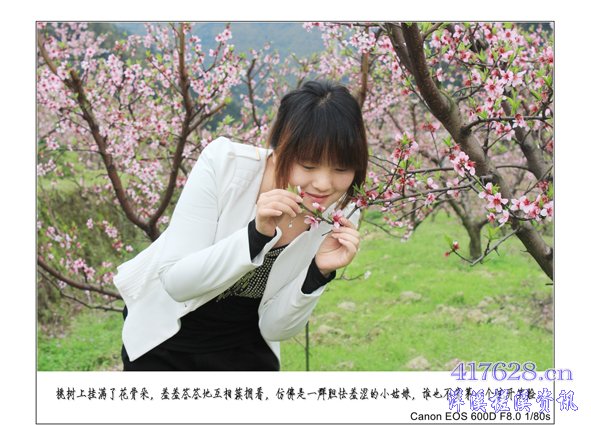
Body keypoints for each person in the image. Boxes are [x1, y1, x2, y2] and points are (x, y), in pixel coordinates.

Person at [113, 80, 369, 371]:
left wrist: (317, 274)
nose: (324, 184)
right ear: (279, 150)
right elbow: (177, 283)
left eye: (341, 168)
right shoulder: (225, 164)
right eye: (308, 166)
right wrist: (255, 236)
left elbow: (275, 328)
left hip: (247, 345)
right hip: (165, 336)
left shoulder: (340, 214)